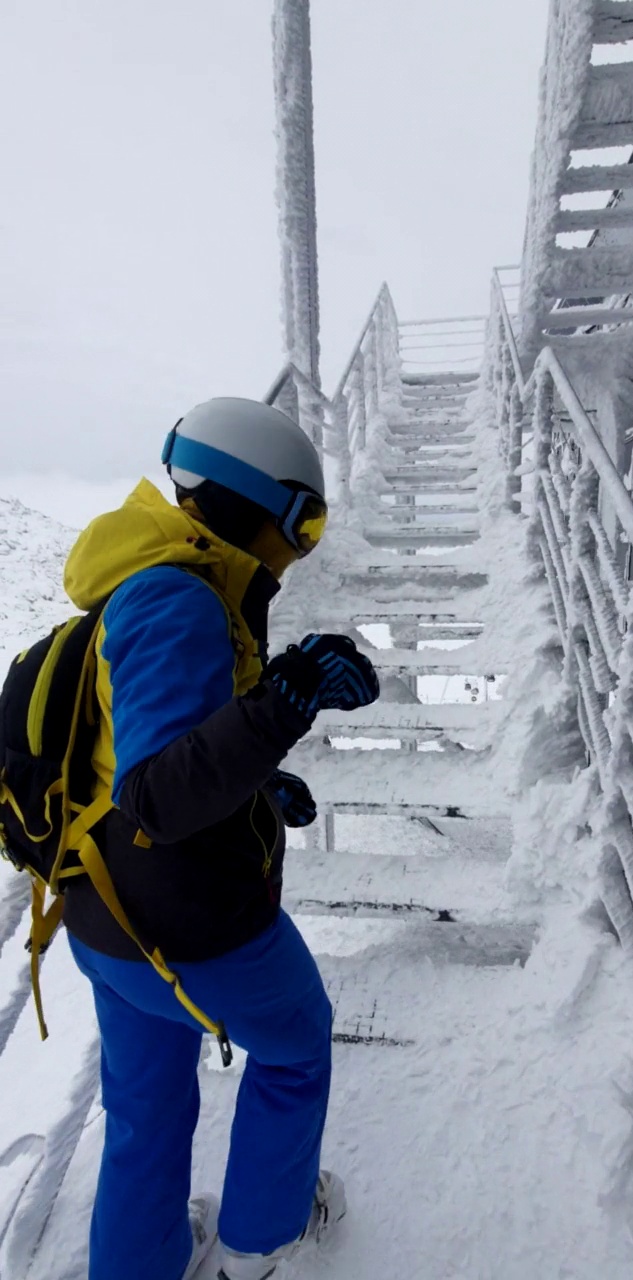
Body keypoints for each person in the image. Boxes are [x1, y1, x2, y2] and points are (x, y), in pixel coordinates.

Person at [61, 397, 380, 1280]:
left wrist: (260, 786)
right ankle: (257, 1247)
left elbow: (141, 750)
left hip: (104, 914)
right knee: (296, 1045)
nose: (300, 545)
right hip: (189, 924)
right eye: (300, 519)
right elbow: (162, 796)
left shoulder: (147, 577)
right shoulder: (180, 599)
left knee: (145, 1107)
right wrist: (283, 706)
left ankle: (144, 1261)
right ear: (248, 499)